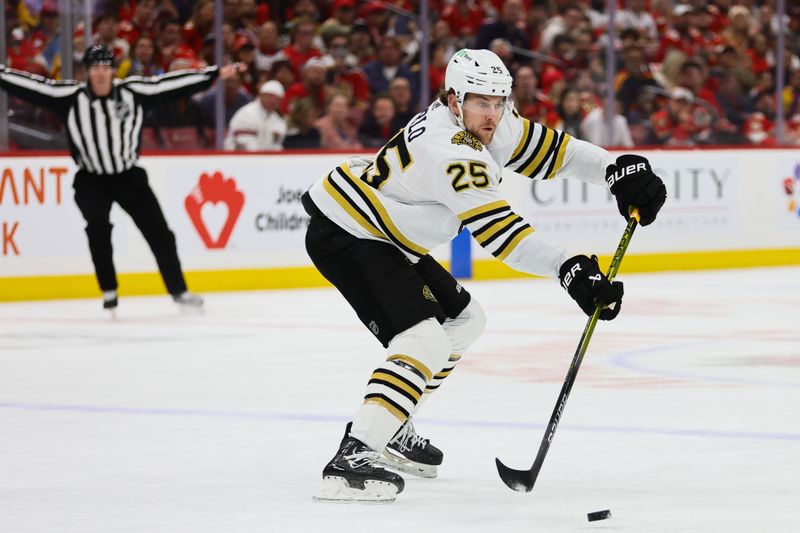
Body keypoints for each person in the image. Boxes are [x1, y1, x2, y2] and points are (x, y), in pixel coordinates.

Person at [301, 49, 666, 502]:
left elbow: (555, 152)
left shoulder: (488, 118)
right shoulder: (449, 148)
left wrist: (613, 169)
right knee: (424, 341)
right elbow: (500, 232)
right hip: (347, 232)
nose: (492, 113)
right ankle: (355, 454)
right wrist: (567, 268)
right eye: (481, 102)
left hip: (384, 234)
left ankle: (390, 424)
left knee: (465, 322)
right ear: (454, 100)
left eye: (499, 101)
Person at [0, 45, 243, 312]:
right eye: (95, 68)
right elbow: (32, 87)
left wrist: (212, 74)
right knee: (98, 227)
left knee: (160, 234)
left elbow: (172, 85)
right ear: (86, 71)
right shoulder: (69, 96)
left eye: (105, 68)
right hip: (91, 179)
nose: (100, 74)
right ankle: (109, 289)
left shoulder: (133, 92)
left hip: (129, 177)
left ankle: (179, 291)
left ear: (113, 70)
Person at [224, 80, 287, 151]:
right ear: (261, 95)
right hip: (238, 158)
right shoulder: (247, 114)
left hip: (264, 159)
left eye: (276, 98)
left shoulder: (278, 121)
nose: (272, 100)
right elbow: (247, 145)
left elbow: (276, 146)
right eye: (269, 96)